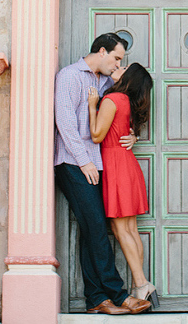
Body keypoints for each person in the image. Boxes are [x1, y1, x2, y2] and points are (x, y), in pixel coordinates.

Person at [54, 33, 151, 315]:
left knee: (91, 229)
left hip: (97, 165)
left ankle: (96, 298)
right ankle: (119, 295)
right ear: (102, 51)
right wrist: (83, 161)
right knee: (97, 227)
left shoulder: (108, 83)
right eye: (117, 58)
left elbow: (119, 117)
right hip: (73, 163)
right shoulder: (70, 76)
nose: (118, 64)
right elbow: (65, 124)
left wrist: (132, 135)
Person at [88, 63, 157, 308]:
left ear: (129, 77)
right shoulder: (127, 101)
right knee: (130, 229)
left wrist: (92, 107)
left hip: (115, 165)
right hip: (126, 164)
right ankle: (144, 284)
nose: (119, 66)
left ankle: (141, 283)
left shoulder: (113, 98)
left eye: (124, 66)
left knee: (121, 230)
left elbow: (96, 135)